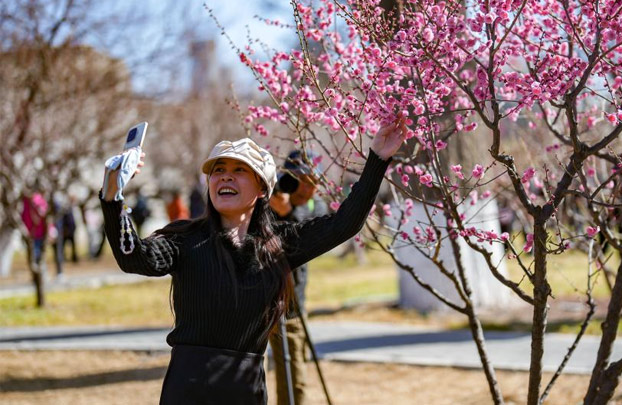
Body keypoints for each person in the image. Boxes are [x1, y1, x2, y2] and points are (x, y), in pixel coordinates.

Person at [99, 119, 406, 404]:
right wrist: (112, 196)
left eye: (239, 169)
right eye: (218, 170)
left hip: (245, 390)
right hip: (186, 389)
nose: (226, 175)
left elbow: (344, 224)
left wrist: (377, 158)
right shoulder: (185, 239)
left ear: (262, 188)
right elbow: (134, 257)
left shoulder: (279, 244)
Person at [268, 150, 328, 405]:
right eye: (301, 180)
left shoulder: (316, 206)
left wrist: (286, 213)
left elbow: (309, 233)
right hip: (252, 298)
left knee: (294, 375)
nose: (307, 188)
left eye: (314, 181)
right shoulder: (265, 200)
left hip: (290, 305)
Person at [21, 190, 49, 267]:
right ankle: (35, 265)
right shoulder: (25, 202)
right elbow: (24, 216)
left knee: (38, 250)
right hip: (29, 231)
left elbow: (44, 213)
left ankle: (39, 265)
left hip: (39, 231)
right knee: (32, 251)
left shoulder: (38, 200)